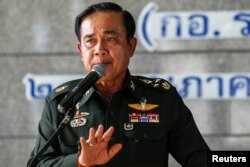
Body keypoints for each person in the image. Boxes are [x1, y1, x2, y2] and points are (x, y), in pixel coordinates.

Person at [28, 2, 210, 167]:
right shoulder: (61, 103)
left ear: (131, 46)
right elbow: (37, 164)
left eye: (110, 39)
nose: (99, 50)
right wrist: (78, 162)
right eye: (90, 41)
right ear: (81, 50)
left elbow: (199, 158)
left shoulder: (161, 97)